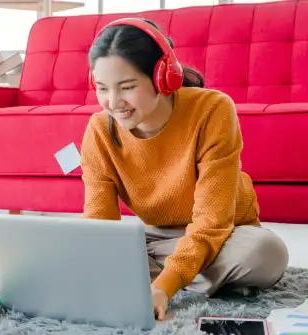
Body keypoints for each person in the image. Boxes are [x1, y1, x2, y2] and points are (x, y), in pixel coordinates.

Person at [81, 17, 289, 321]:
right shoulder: (100, 129)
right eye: (102, 88)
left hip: (225, 233)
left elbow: (211, 223)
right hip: (156, 237)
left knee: (265, 252)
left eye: (127, 87)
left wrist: (164, 287)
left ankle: (159, 275)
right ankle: (199, 278)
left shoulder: (213, 109)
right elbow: (101, 224)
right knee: (84, 247)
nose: (113, 103)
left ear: (163, 76)